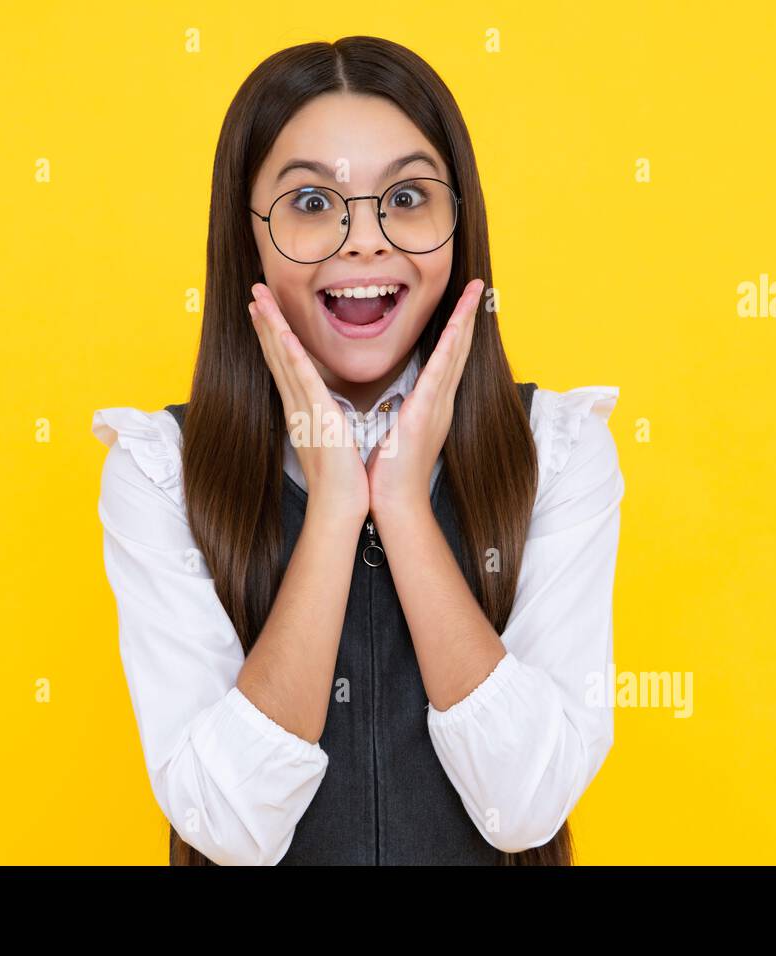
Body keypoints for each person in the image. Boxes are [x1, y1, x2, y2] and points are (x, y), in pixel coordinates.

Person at [92, 36, 624, 865]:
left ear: (460, 224)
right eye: (311, 203)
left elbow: (525, 807)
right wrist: (337, 504)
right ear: (249, 238)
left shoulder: (556, 451)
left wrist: (405, 507)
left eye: (407, 195)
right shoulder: (161, 470)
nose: (364, 241)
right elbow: (228, 831)